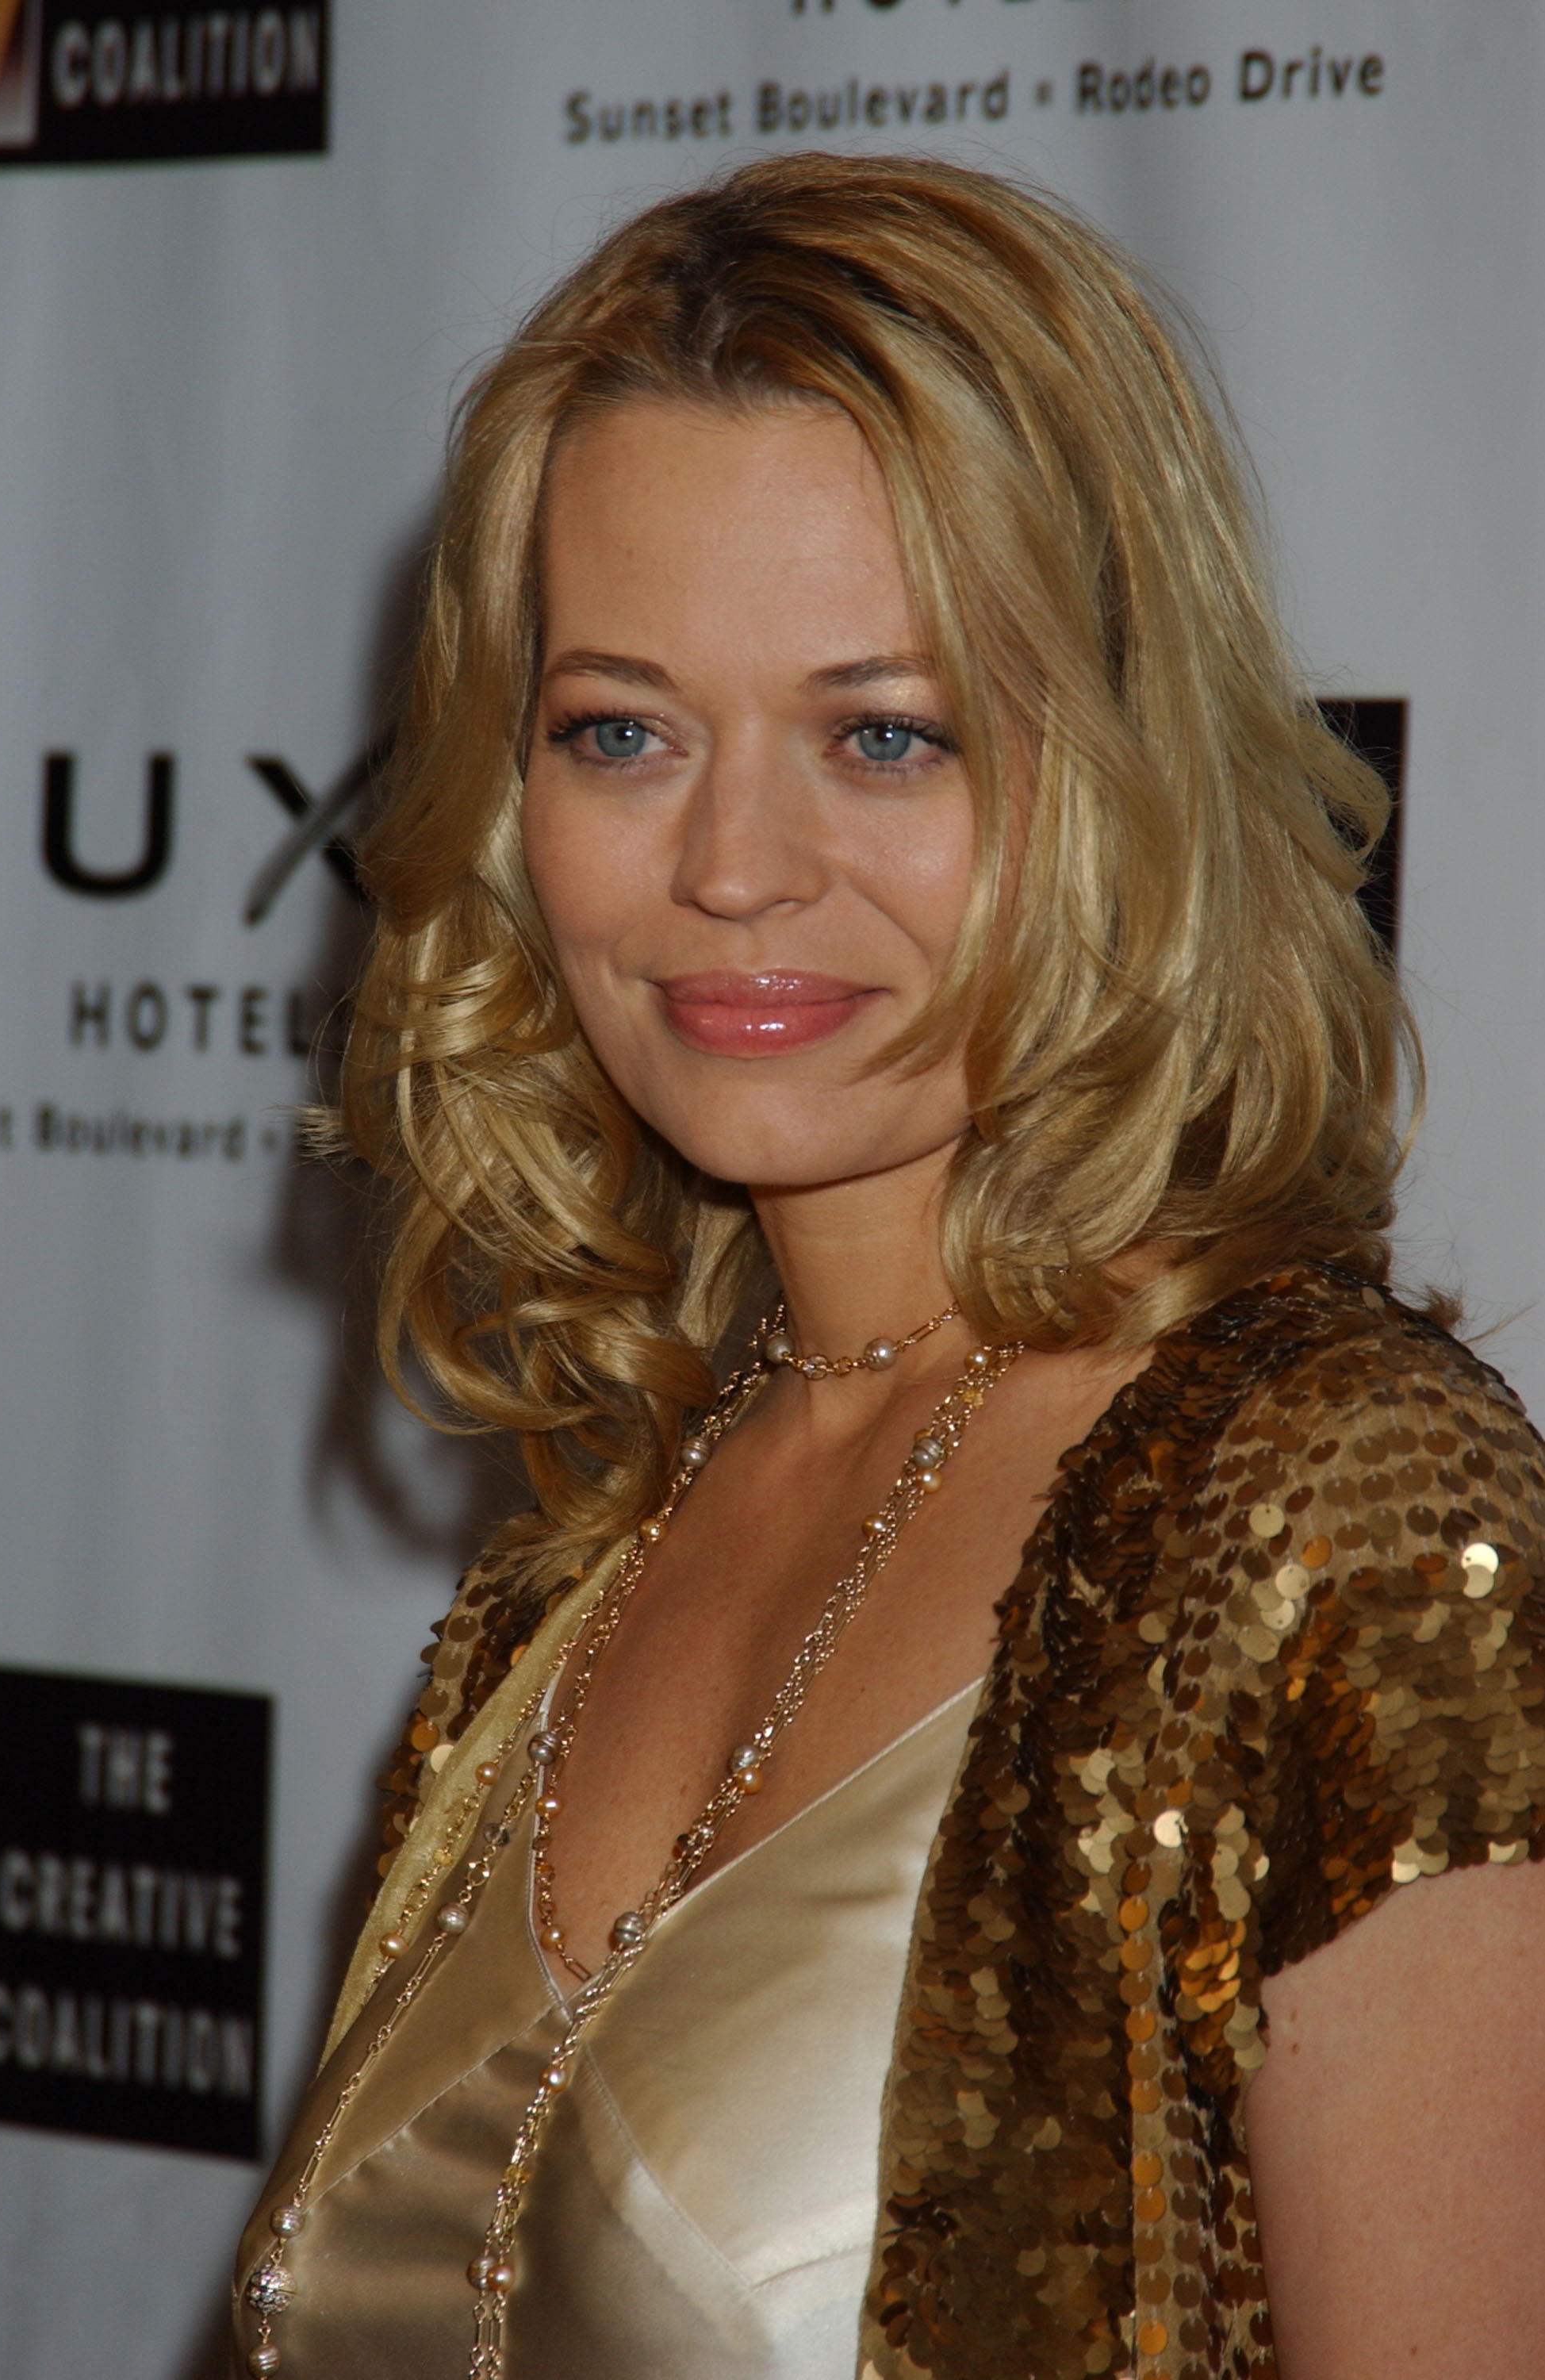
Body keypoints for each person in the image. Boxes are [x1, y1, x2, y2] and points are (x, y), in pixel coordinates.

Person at [232, 153, 1545, 2380]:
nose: (732, 866)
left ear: (1116, 771)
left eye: (883, 733)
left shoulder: (1337, 1523)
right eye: (620, 731)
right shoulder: (568, 1583)